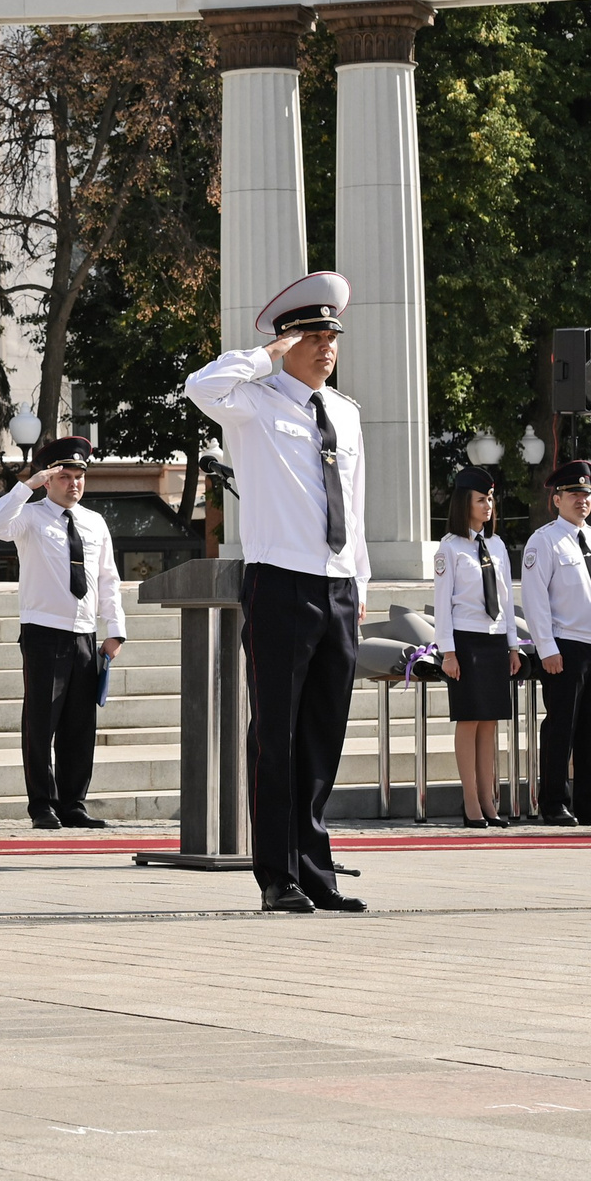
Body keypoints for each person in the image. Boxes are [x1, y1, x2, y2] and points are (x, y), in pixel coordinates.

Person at [185, 271, 368, 914]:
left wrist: (360, 580)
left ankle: (317, 869)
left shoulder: (343, 414)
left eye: (331, 336)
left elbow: (356, 505)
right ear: (289, 341)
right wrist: (265, 353)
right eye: (313, 335)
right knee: (277, 733)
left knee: (323, 733)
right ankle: (278, 875)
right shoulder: (254, 402)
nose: (325, 347)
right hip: (280, 583)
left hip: (337, 586)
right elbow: (199, 386)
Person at [0, 434, 126, 830]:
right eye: (65, 476)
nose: (74, 483)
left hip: (85, 635)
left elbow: (108, 579)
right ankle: (42, 804)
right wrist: (25, 486)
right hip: (43, 633)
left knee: (80, 726)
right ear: (49, 480)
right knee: (41, 722)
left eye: (79, 475)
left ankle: (73, 803)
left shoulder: (95, 523)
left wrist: (114, 632)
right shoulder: (29, 516)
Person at [520, 459, 591, 827]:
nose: (582, 500)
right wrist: (546, 647)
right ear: (557, 499)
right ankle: (553, 801)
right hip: (566, 645)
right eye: (574, 494)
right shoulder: (544, 540)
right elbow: (535, 599)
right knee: (561, 727)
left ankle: (590, 800)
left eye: (587, 494)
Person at [432, 465, 516, 828]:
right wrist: (448, 653)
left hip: (495, 639)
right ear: (465, 502)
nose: (488, 505)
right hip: (465, 640)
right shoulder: (449, 548)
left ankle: (489, 800)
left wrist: (513, 646)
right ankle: (471, 803)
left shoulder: (496, 545)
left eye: (491, 499)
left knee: (490, 723)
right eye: (481, 500)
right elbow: (442, 603)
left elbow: (508, 600)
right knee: (469, 721)